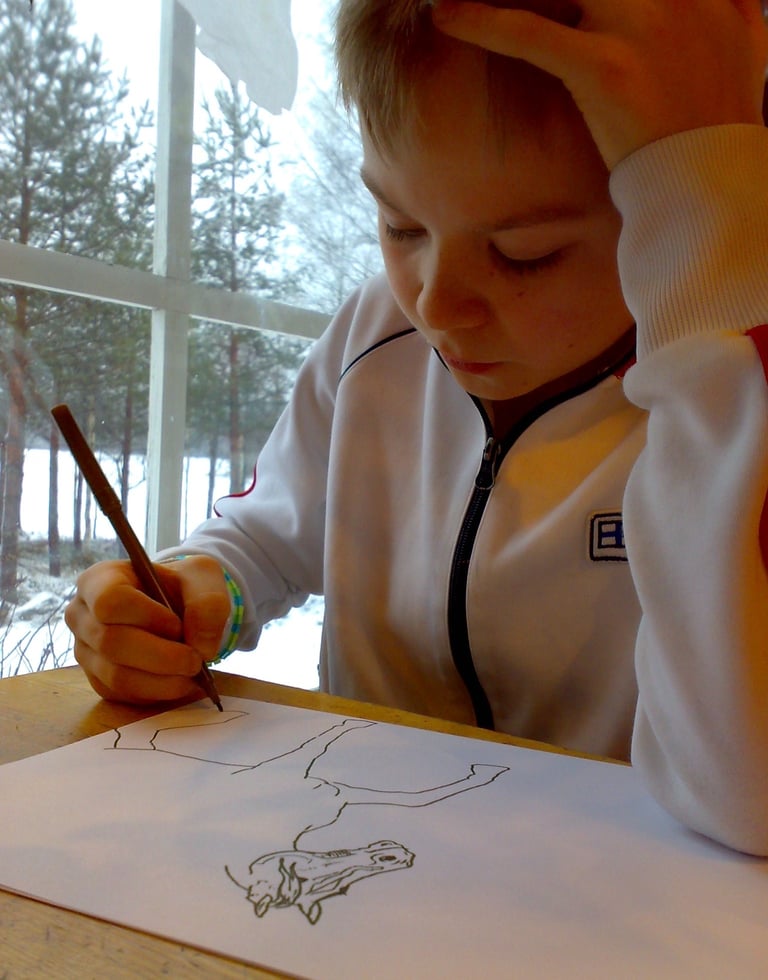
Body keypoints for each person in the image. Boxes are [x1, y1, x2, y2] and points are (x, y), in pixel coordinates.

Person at [65, 0, 768, 854]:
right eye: (401, 226)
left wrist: (717, 242)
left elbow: (751, 790)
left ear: (673, 217)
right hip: (351, 855)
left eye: (525, 253)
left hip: (612, 892)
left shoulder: (730, 380)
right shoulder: (375, 337)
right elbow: (265, 541)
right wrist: (192, 592)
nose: (437, 305)